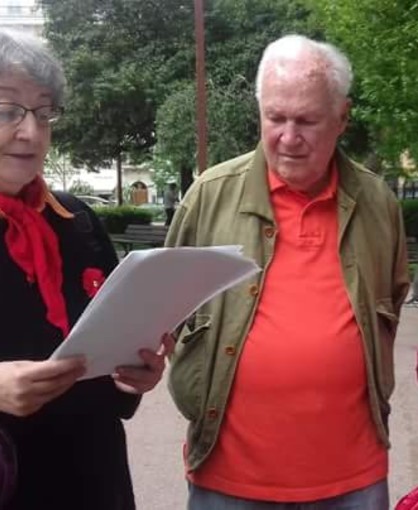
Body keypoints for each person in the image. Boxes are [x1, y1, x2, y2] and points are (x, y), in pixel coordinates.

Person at [0, 23, 173, 509]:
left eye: (43, 112)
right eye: (5, 109)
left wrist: (133, 375)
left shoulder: (77, 222)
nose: (31, 132)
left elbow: (109, 386)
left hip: (96, 489)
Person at [165, 35, 410, 510]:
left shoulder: (379, 202)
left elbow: (393, 298)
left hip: (353, 479)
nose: (288, 137)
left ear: (341, 118)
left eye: (307, 120)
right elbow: (160, 309)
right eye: (275, 118)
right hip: (228, 477)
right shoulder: (210, 195)